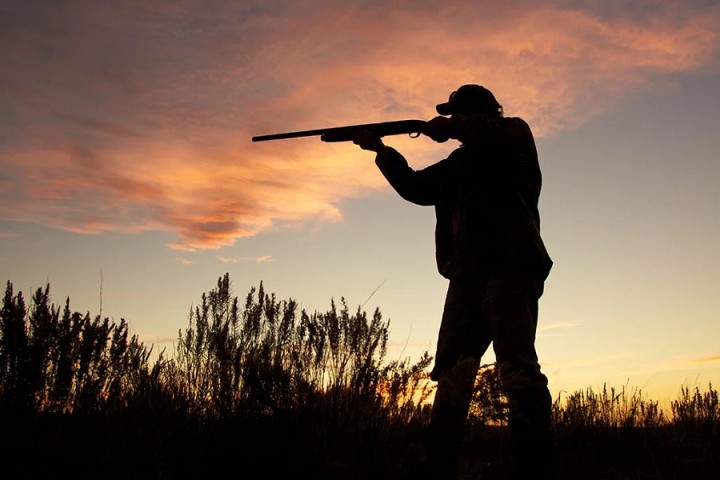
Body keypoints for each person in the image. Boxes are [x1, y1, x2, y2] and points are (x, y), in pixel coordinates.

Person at [353, 84, 557, 479]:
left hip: (510, 268)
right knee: (452, 373)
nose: (449, 121)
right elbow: (415, 188)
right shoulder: (457, 164)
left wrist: (450, 126)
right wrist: (380, 151)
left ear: (473, 114)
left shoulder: (514, 136)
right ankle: (439, 464)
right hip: (465, 277)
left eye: (456, 114)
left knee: (517, 367)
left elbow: (489, 130)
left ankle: (536, 467)